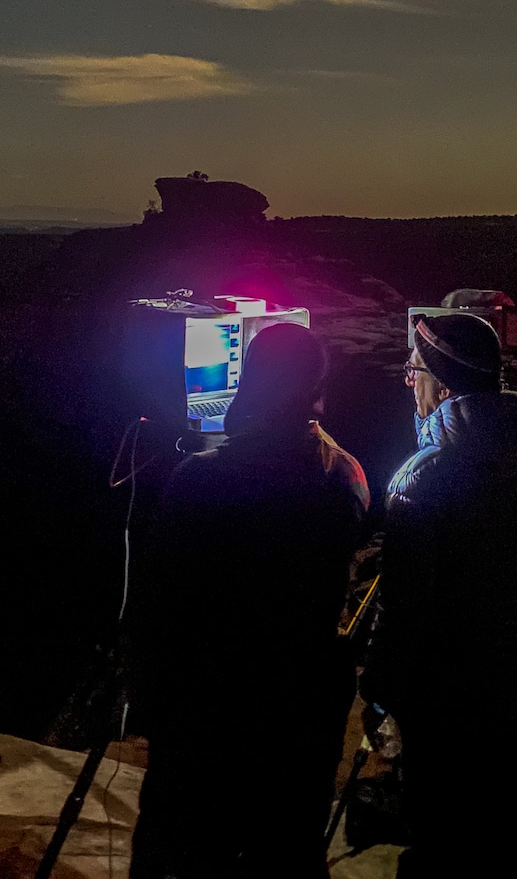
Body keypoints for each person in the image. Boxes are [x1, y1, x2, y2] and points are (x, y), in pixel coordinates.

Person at [360, 313, 517, 877]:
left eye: (414, 369)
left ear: (442, 386)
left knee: (439, 844)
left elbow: (404, 612)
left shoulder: (426, 479)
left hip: (445, 715)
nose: (406, 380)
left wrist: (378, 692)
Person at [129, 322, 369, 879]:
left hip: (204, 710)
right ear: (317, 385)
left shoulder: (198, 480)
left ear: (252, 381)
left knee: (181, 852)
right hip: (298, 714)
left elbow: (155, 599)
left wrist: (147, 692)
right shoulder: (345, 476)